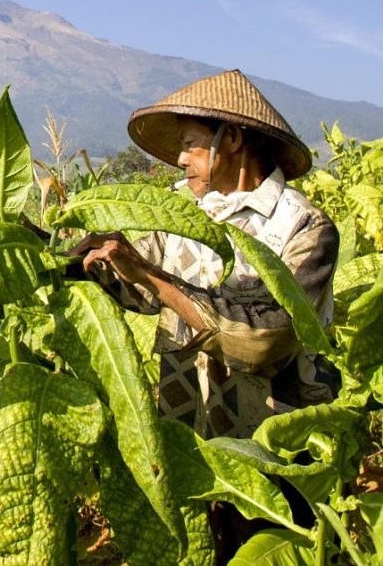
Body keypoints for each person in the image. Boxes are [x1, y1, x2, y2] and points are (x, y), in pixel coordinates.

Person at [69, 69, 338, 440]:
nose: (180, 159)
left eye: (190, 144)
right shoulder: (188, 217)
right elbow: (132, 286)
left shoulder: (303, 227)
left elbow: (267, 339)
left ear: (231, 139)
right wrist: (23, 241)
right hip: (190, 432)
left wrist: (151, 276)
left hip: (279, 446)